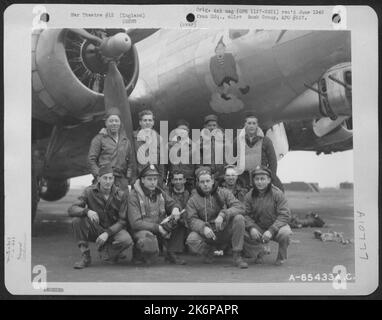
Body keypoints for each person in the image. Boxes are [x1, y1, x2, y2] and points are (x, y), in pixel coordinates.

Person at [68, 165, 133, 269]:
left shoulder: (121, 195)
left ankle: (108, 251)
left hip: (113, 230)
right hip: (96, 229)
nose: (108, 181)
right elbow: (72, 209)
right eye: (105, 178)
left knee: (126, 240)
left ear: (113, 179)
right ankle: (85, 256)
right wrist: (87, 211)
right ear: (98, 179)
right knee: (77, 221)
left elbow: (122, 221)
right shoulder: (89, 191)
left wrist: (107, 233)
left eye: (110, 178)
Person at [185, 167, 249, 269]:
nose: (205, 184)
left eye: (207, 181)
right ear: (198, 183)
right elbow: (191, 220)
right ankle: (209, 251)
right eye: (202, 182)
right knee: (192, 239)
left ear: (212, 181)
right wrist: (203, 228)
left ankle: (237, 255)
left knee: (239, 218)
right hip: (208, 233)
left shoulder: (224, 193)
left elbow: (240, 207)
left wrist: (223, 214)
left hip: (224, 229)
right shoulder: (193, 200)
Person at [128, 164, 186, 265]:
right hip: (142, 229)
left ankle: (171, 253)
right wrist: (158, 228)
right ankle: (138, 254)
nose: (153, 182)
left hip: (159, 225)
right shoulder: (133, 196)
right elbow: (135, 223)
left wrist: (175, 209)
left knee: (180, 220)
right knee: (149, 245)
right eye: (149, 179)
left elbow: (173, 203)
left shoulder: (159, 192)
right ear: (142, 180)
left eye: (155, 179)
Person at [243, 165, 292, 266]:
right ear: (253, 181)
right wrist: (251, 228)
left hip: (276, 227)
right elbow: (244, 214)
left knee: (285, 233)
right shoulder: (249, 196)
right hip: (259, 227)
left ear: (269, 180)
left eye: (262, 179)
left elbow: (285, 215)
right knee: (241, 229)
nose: (259, 182)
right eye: (257, 179)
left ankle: (281, 258)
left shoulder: (277, 194)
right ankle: (259, 252)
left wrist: (271, 230)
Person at [88, 108, 134, 192]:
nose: (114, 123)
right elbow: (91, 160)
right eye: (111, 121)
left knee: (123, 203)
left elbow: (130, 162)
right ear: (106, 123)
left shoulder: (126, 141)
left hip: (121, 182)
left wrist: (127, 178)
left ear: (120, 123)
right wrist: (99, 175)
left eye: (116, 121)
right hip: (105, 180)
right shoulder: (99, 139)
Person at [237, 112, 284, 191]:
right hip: (244, 178)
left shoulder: (266, 141)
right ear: (245, 125)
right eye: (249, 123)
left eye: (254, 123)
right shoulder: (237, 141)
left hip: (261, 177)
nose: (251, 126)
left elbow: (273, 162)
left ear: (257, 125)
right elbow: (233, 161)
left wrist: (270, 179)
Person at [133, 109, 165, 185]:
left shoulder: (159, 139)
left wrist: (160, 180)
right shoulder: (133, 138)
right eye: (145, 120)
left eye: (150, 120)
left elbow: (161, 163)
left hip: (154, 178)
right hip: (139, 178)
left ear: (153, 122)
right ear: (140, 122)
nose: (147, 123)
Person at [164, 169, 191, 254]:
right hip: (172, 222)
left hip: (188, 222)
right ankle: (173, 251)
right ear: (172, 181)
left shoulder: (190, 193)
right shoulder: (167, 193)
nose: (178, 181)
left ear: (184, 180)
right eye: (176, 179)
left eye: (180, 179)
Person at [166, 119, 196, 191]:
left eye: (185, 129)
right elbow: (164, 165)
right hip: (174, 181)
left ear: (188, 131)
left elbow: (198, 165)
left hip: (189, 181)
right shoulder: (169, 146)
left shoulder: (194, 146)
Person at [197, 114, 226, 183]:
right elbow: (198, 160)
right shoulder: (200, 142)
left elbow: (227, 158)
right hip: (206, 176)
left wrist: (223, 171)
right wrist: (204, 172)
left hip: (222, 175)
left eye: (214, 125)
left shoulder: (224, 140)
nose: (212, 127)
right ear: (205, 127)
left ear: (217, 126)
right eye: (209, 125)